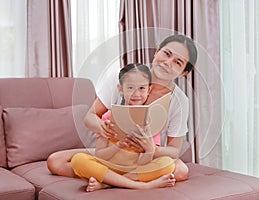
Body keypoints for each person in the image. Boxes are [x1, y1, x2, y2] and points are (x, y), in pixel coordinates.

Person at [47, 34, 198, 185]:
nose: (167, 63)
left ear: (184, 72)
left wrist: (151, 148)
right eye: (167, 53)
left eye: (177, 62)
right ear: (157, 51)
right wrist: (104, 128)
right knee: (56, 161)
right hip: (115, 150)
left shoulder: (179, 101)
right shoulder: (122, 78)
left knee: (180, 170)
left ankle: (107, 181)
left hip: (146, 156)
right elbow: (90, 117)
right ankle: (129, 180)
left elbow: (174, 150)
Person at [71, 63, 176, 191]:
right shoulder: (108, 117)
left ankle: (108, 183)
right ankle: (142, 186)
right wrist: (118, 146)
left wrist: (149, 150)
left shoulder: (152, 120)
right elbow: (100, 155)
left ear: (149, 90)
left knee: (168, 163)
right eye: (130, 87)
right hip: (110, 166)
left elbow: (144, 163)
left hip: (135, 169)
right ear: (121, 89)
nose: (136, 94)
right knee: (78, 160)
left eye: (142, 88)